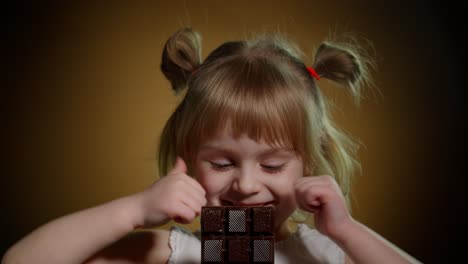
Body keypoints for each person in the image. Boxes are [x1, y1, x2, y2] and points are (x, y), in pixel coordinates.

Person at [2, 28, 421, 264]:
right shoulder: (172, 252)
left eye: (273, 166)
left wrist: (346, 231)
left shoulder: (328, 252)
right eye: (222, 162)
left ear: (309, 161)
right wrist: (133, 210)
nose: (246, 185)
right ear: (189, 155)